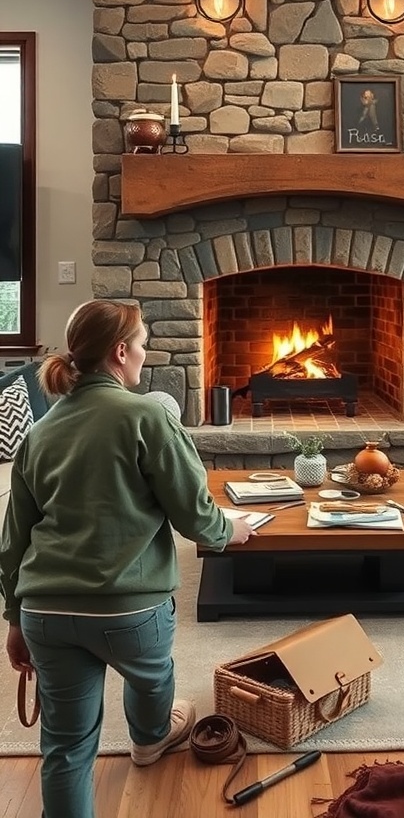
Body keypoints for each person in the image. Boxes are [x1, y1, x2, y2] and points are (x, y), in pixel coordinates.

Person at [0, 299, 256, 818]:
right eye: (141, 344)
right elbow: (195, 516)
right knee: (152, 676)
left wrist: (14, 619)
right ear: (120, 352)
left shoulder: (39, 433)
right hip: (129, 610)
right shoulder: (148, 416)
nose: (144, 353)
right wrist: (232, 529)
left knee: (66, 746)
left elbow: (13, 542)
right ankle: (150, 738)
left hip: (46, 613)